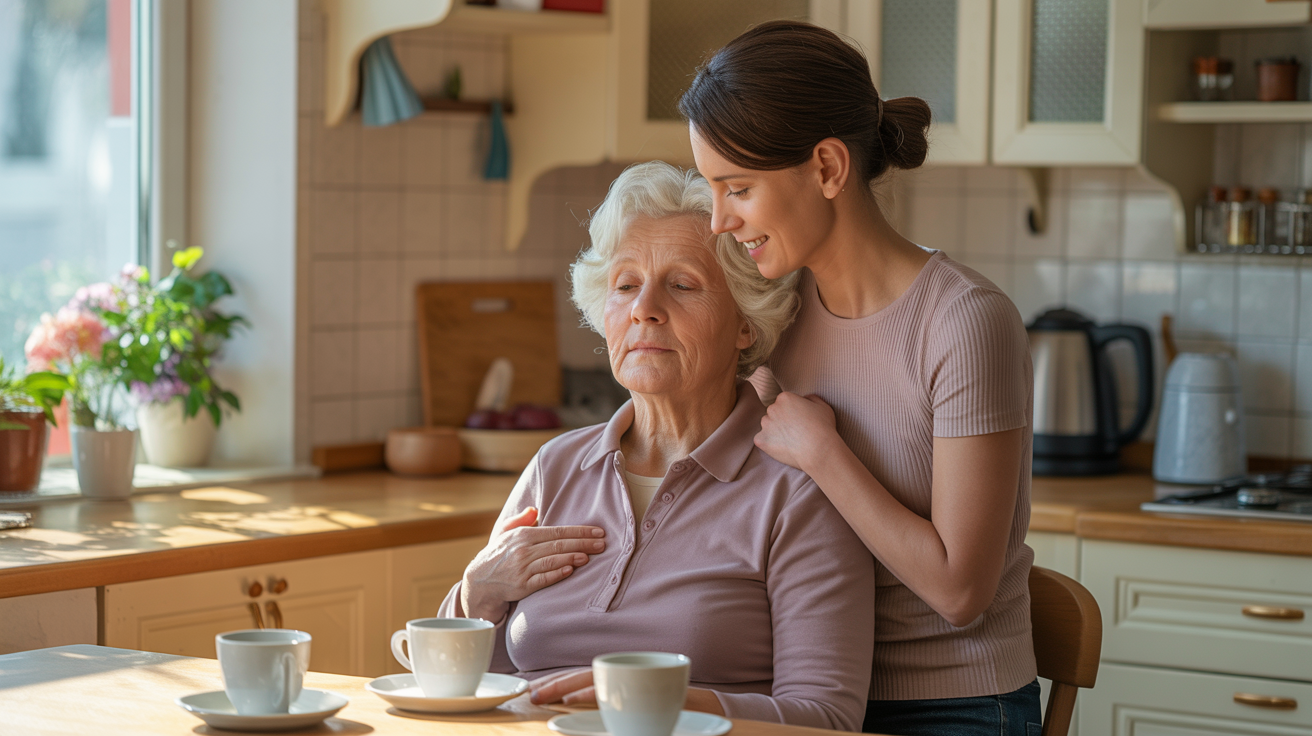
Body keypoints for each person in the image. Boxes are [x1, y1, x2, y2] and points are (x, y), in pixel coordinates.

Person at [680, 20, 1040, 736]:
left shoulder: (966, 323)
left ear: (827, 168)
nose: (720, 221)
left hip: (953, 705)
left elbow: (960, 591)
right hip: (802, 689)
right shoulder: (776, 317)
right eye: (713, 190)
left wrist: (823, 453)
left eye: (738, 188)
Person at [437, 161, 876, 731]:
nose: (645, 306)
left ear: (746, 322)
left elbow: (827, 719)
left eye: (683, 284)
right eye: (625, 285)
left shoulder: (796, 488)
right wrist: (476, 595)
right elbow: (465, 690)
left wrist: (650, 698)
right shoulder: (557, 466)